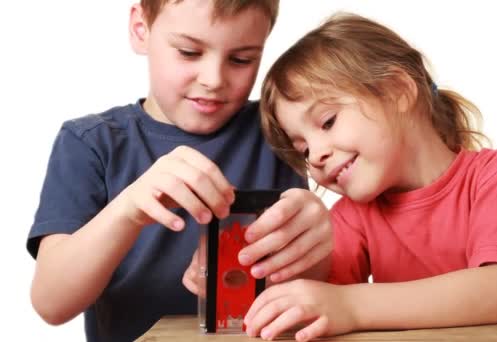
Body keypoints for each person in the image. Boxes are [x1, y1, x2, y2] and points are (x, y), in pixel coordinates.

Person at [243, 13, 497, 342]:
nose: (316, 156)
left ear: (398, 90)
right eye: (303, 150)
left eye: (327, 122)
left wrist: (349, 306)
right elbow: (317, 295)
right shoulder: (354, 215)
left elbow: (496, 293)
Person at [26, 1, 333, 341]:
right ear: (141, 29)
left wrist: (319, 235)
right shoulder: (90, 143)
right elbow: (51, 303)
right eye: (189, 52)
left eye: (241, 59)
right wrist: (129, 209)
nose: (214, 80)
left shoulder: (279, 129)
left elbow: (309, 288)